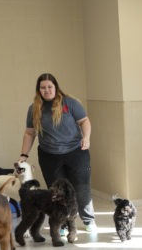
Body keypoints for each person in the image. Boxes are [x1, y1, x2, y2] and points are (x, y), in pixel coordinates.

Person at [19, 73, 96, 232]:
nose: (46, 90)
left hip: (76, 152)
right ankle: (61, 222)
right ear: (38, 90)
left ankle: (88, 221)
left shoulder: (70, 103)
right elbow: (29, 133)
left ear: (56, 87)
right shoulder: (34, 109)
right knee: (56, 192)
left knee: (81, 187)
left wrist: (86, 138)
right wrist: (24, 155)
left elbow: (84, 121)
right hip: (49, 155)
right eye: (43, 87)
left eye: (49, 87)